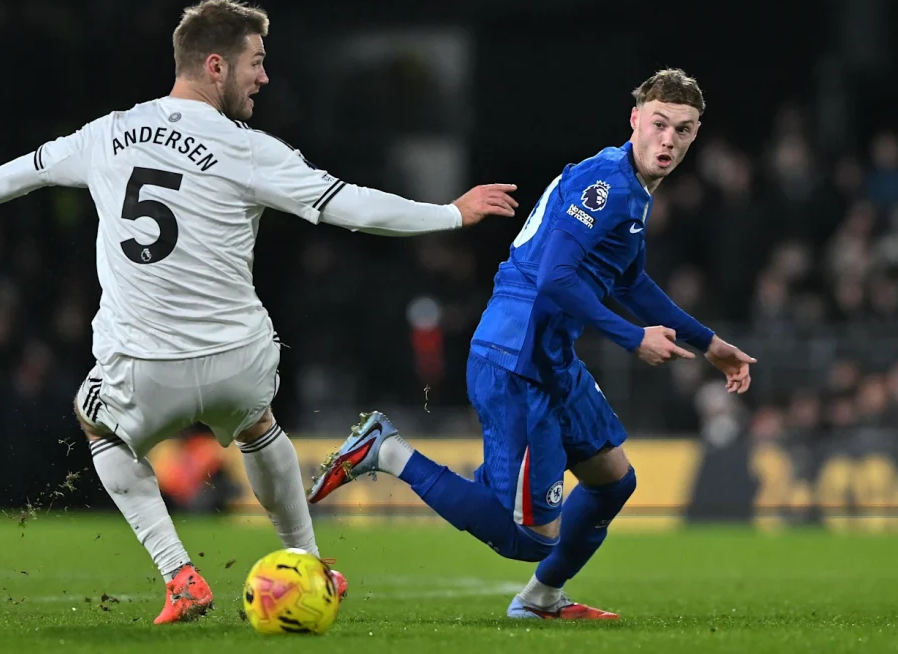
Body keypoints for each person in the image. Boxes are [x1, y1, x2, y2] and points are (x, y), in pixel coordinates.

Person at [0, 0, 518, 625]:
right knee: (257, 425)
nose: (265, 77)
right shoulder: (248, 149)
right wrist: (449, 213)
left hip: (143, 367)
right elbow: (347, 206)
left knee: (96, 425)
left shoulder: (108, 132)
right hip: (238, 362)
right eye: (257, 62)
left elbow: (30, 169)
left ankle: (179, 576)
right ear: (216, 65)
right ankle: (309, 563)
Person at [306, 68, 756, 620]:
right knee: (529, 539)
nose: (668, 140)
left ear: (694, 134)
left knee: (614, 481)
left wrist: (709, 344)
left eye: (683, 130)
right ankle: (387, 450)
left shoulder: (632, 192)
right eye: (659, 124)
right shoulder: (605, 186)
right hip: (514, 359)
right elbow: (555, 278)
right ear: (635, 120)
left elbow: (630, 281)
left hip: (551, 357)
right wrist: (632, 337)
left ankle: (541, 600)